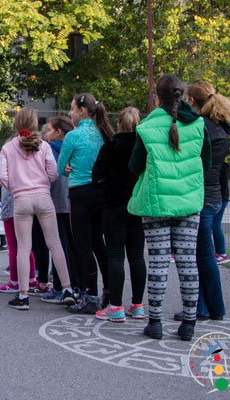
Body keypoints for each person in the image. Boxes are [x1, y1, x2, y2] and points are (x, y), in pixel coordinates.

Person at [128, 73, 210, 341]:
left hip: (156, 204)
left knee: (159, 263)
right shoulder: (198, 125)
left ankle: (155, 323)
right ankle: (189, 324)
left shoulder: (147, 127)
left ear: (156, 97)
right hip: (188, 202)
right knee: (188, 263)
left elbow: (134, 166)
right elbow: (205, 163)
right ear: (183, 95)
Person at [0, 107, 75, 310]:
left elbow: (3, 177)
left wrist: (15, 188)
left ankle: (23, 296)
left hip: (21, 199)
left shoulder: (8, 147)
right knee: (55, 243)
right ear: (34, 124)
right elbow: (54, 172)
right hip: (43, 197)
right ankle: (67, 288)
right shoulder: (44, 146)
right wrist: (43, 184)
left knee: (23, 247)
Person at [171, 81, 230, 323]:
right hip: (214, 195)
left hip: (201, 195)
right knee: (203, 254)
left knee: (201, 256)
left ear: (193, 101)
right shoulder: (220, 128)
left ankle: (207, 307)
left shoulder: (202, 127)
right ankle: (211, 306)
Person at [57, 93, 114, 314]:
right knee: (99, 242)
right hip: (101, 192)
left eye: (72, 109)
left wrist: (70, 167)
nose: (69, 113)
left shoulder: (73, 136)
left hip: (80, 192)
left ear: (82, 111)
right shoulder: (105, 133)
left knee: (82, 245)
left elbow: (61, 168)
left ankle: (90, 294)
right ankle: (110, 292)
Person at [92, 107, 147, 322]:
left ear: (119, 124)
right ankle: (138, 304)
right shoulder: (144, 147)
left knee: (116, 256)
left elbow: (96, 175)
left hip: (114, 205)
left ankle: (116, 305)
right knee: (136, 255)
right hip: (137, 204)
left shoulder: (111, 147)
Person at [40, 116, 80, 304]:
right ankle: (75, 284)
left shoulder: (52, 148)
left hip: (57, 201)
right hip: (70, 200)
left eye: (49, 130)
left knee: (58, 244)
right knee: (71, 244)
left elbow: (50, 174)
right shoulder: (73, 147)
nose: (46, 133)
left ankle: (59, 286)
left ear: (58, 132)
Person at [0, 176, 39, 293]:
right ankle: (31, 280)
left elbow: (6, 185)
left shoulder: (9, 159)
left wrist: (4, 212)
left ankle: (15, 281)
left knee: (14, 247)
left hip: (13, 207)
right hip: (29, 203)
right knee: (26, 246)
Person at [213, 162, 230, 264]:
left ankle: (222, 253)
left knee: (215, 225)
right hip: (221, 198)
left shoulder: (221, 166)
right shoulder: (221, 165)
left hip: (220, 198)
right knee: (215, 225)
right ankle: (220, 253)